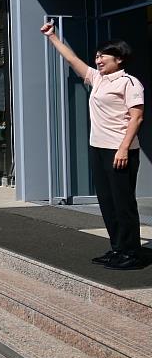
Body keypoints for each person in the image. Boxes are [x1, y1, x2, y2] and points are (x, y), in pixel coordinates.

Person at [41, 20, 145, 270]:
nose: (98, 61)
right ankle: (117, 248)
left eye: (103, 57)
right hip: (99, 149)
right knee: (107, 202)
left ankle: (132, 253)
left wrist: (123, 148)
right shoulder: (98, 79)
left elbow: (137, 117)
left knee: (123, 203)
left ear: (119, 58)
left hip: (120, 150)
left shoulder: (129, 83)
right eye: (96, 57)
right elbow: (72, 60)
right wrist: (53, 37)